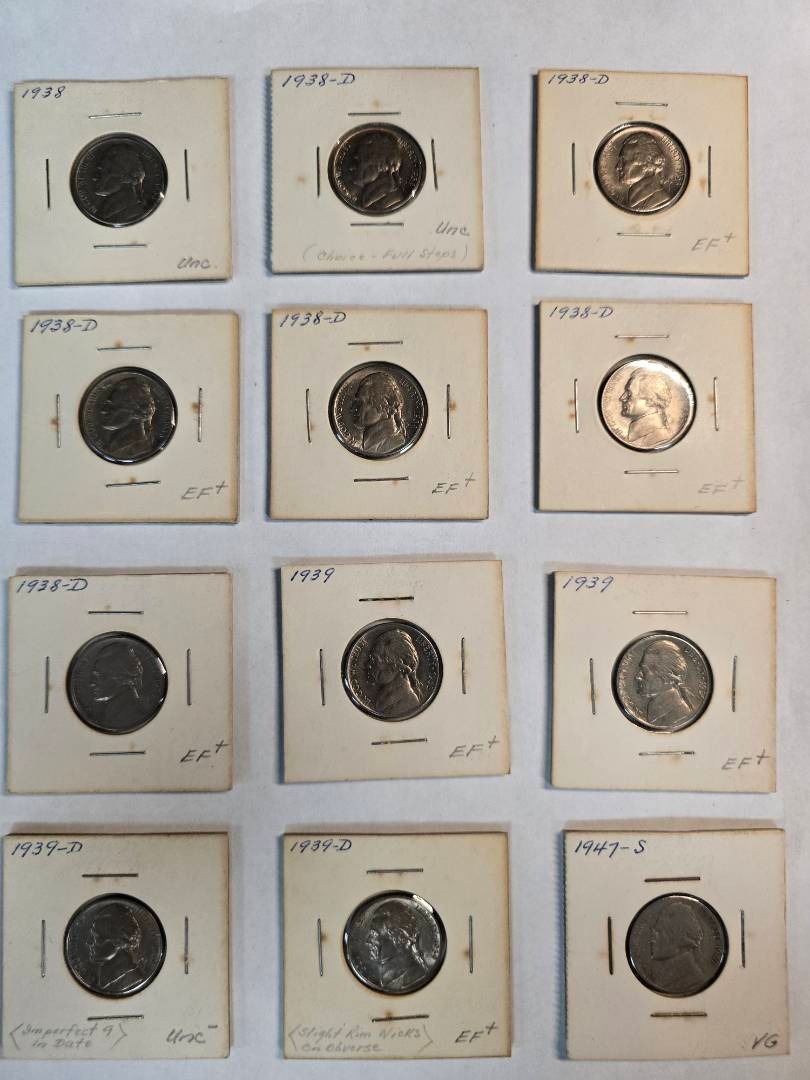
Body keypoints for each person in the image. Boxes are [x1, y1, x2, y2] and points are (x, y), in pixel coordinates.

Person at [363, 900, 429, 991]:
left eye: (375, 934)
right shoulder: (389, 980)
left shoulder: (415, 979)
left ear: (396, 937)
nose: (368, 941)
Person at [635, 638, 694, 728]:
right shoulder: (654, 708)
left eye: (644, 671)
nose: (638, 677)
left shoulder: (679, 715)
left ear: (665, 678)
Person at [648, 899, 706, 990]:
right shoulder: (661, 977)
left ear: (677, 936)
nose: (652, 939)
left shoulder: (691, 979)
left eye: (659, 932)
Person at [96, 377, 158, 460]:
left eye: (111, 406)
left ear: (134, 410)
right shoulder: (114, 445)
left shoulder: (138, 450)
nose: (103, 410)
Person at [366, 627, 422, 717]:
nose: (369, 665)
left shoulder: (409, 702)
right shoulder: (382, 698)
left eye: (375, 660)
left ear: (397, 665)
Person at [87, 902, 143, 992]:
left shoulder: (130, 980)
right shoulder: (104, 978)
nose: (89, 942)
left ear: (118, 941)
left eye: (97, 937)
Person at [352, 370, 407, 456]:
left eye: (361, 402)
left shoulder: (395, 444)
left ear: (384, 404)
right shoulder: (370, 444)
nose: (353, 408)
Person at [615, 131, 672, 212]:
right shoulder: (634, 197)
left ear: (647, 161)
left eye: (624, 160)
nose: (617, 167)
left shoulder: (660, 200)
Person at [350, 132, 407, 212]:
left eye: (362, 160)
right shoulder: (368, 196)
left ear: (381, 164)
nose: (351, 168)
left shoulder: (392, 199)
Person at [92, 144, 149, 224]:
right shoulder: (107, 209)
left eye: (105, 172)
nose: (93, 178)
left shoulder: (133, 213)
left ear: (126, 178)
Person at [619, 367, 673, 448]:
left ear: (650, 399)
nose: (622, 398)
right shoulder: (634, 435)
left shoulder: (660, 438)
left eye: (629, 393)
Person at [89, 641, 145, 709]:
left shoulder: (131, 710)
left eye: (102, 677)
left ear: (124, 681)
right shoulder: (109, 709)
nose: (91, 684)